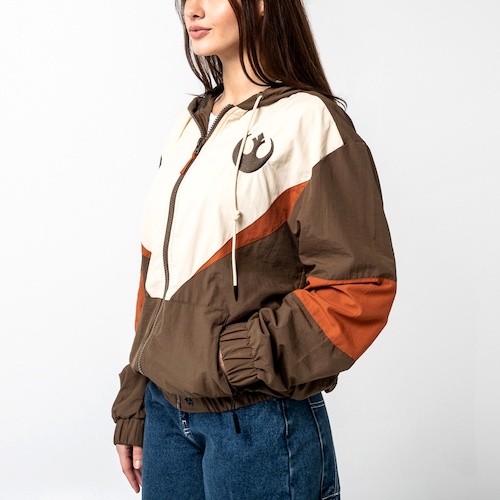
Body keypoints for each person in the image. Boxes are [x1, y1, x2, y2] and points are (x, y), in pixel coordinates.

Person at [112, 0, 397, 498]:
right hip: (165, 418)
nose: (192, 10)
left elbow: (360, 286)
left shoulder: (310, 121)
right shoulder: (190, 126)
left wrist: (238, 358)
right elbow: (156, 275)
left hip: (257, 423)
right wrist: (136, 393)